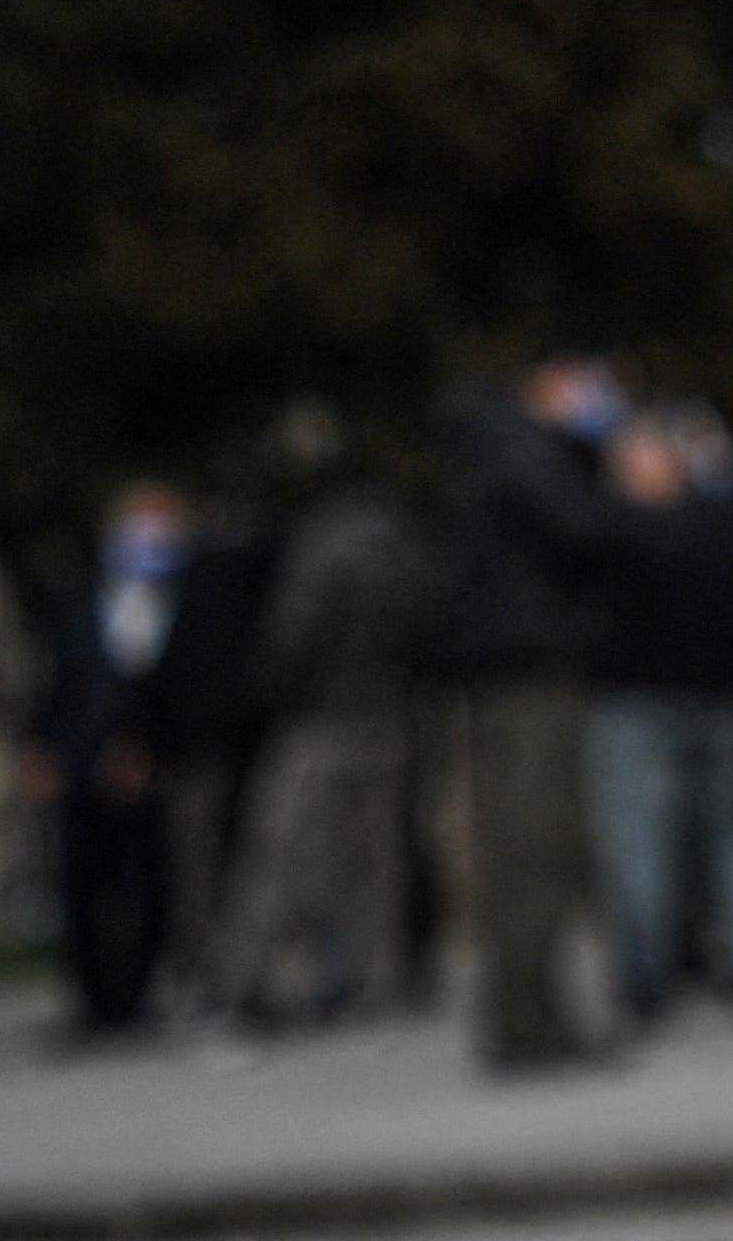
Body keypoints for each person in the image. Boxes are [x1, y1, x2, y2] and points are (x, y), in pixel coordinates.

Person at [205, 423, 436, 1031]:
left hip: (320, 719)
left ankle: (245, 981)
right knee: (374, 863)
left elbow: (291, 635)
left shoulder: (320, 544)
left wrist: (270, 695)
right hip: (388, 717)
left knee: (279, 858)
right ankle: (361, 979)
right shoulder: (404, 544)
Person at [441, 357, 630, 1074]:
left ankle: (530, 1016)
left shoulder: (499, 452)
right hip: (530, 674)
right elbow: (587, 533)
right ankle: (527, 1025)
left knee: (528, 850)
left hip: (514, 671)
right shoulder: (525, 456)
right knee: (533, 848)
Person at [586, 408, 733, 1021]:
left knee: (643, 843)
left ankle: (648, 979)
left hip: (642, 702)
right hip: (732, 699)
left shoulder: (610, 534)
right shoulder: (732, 524)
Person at [27, 481, 255, 1039]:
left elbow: (197, 690)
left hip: (159, 763)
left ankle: (144, 990)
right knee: (81, 883)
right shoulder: (81, 603)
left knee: (156, 882)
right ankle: (94, 1002)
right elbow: (56, 682)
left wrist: (148, 750)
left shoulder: (197, 605)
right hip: (84, 762)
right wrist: (44, 748)